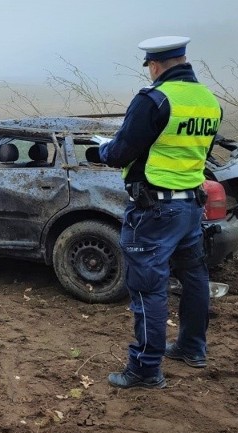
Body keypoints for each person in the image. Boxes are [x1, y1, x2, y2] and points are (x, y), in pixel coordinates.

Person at [96, 36, 223, 389]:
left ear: (154, 66)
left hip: (155, 210)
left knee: (147, 289)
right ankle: (191, 347)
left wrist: (104, 151)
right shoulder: (209, 102)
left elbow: (121, 152)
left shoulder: (153, 99)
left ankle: (145, 369)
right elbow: (200, 151)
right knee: (194, 276)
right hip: (190, 207)